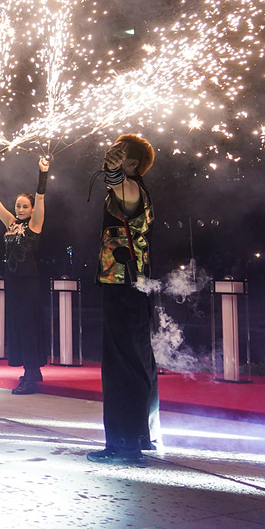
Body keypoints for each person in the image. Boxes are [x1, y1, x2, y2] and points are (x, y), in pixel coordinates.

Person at [87, 134, 159, 467]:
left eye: (118, 153)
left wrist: (114, 173)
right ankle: (131, 438)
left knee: (125, 364)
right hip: (122, 286)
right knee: (124, 362)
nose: (109, 154)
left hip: (127, 285)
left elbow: (123, 193)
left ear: (130, 164)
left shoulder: (133, 189)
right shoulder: (124, 189)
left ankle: (127, 443)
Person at [0, 155, 51, 394]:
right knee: (19, 325)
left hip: (29, 282)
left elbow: (40, 197)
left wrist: (43, 173)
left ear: (31, 210)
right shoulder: (10, 223)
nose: (19, 209)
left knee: (28, 325)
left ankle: (30, 375)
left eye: (24, 206)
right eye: (18, 205)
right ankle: (32, 369)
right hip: (13, 282)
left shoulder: (35, 224)